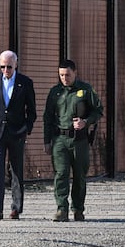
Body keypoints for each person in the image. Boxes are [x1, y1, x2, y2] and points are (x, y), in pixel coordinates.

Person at [0, 50, 37, 220]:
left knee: (16, 170)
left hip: (17, 132)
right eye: (2, 66)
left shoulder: (25, 83)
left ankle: (16, 208)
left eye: (9, 66)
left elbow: (31, 110)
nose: (6, 70)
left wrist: (26, 127)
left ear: (16, 65)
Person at [43, 59, 103, 222]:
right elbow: (48, 117)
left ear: (75, 73)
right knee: (61, 174)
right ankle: (62, 208)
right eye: (61, 75)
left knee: (79, 175)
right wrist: (47, 141)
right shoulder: (55, 92)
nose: (64, 78)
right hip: (60, 139)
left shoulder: (85, 90)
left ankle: (78, 209)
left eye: (67, 75)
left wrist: (85, 122)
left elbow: (98, 111)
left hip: (79, 140)